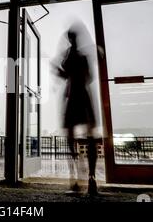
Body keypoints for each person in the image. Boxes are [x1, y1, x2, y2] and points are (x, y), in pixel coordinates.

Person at [55, 30, 99, 195]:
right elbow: (89, 78)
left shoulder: (68, 56)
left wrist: (58, 69)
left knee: (70, 137)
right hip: (84, 97)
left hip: (72, 97)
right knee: (90, 137)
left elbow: (64, 75)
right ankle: (91, 176)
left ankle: (75, 176)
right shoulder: (82, 56)